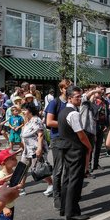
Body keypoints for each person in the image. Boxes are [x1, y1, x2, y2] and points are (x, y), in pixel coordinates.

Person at [54, 86, 92, 220]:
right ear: (69, 97)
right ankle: (72, 212)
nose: (80, 99)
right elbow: (80, 134)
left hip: (66, 147)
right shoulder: (73, 113)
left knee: (67, 178)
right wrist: (89, 146)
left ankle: (64, 208)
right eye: (77, 96)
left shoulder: (63, 111)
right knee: (74, 180)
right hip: (75, 148)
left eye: (81, 96)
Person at [45, 79, 70, 209]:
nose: (68, 90)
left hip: (71, 139)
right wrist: (66, 124)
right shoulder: (55, 102)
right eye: (66, 88)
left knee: (69, 169)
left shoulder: (72, 103)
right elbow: (49, 122)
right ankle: (57, 196)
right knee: (58, 169)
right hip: (58, 139)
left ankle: (67, 194)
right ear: (61, 89)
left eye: (70, 87)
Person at [20, 102, 53, 196]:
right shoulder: (28, 120)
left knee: (39, 168)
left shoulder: (36, 120)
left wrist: (39, 148)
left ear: (30, 111)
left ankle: (51, 184)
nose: (23, 112)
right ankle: (21, 187)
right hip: (27, 149)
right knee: (23, 168)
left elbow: (40, 134)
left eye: (25, 110)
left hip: (35, 148)